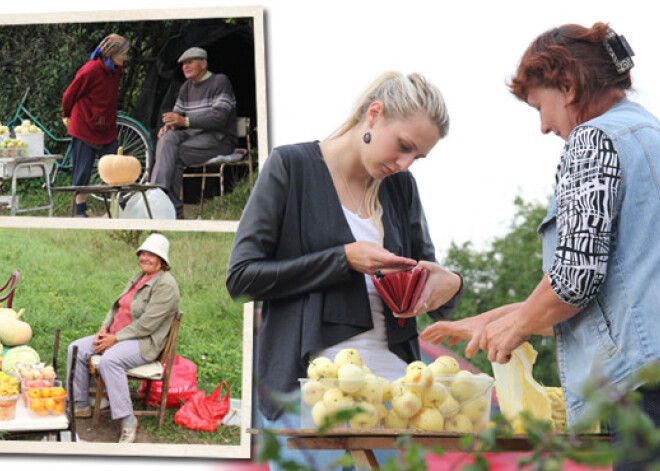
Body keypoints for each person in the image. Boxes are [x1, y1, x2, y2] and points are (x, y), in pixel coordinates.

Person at [420, 22, 660, 470]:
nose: (545, 126)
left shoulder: (594, 139)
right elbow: (621, 298)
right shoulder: (650, 135)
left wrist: (514, 330)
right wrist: (498, 318)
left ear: (567, 85)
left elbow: (575, 279)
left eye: (541, 107)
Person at [227, 72, 464, 470]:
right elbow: (242, 279)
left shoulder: (401, 189)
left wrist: (450, 283)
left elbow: (432, 290)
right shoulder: (291, 166)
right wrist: (343, 259)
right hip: (309, 398)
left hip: (396, 403)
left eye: (417, 157)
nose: (405, 165)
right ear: (374, 115)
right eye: (403, 147)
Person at [67, 233, 180, 443]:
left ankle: (128, 420)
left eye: (151, 254)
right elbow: (117, 306)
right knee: (76, 348)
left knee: (111, 361)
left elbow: (148, 324)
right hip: (117, 335)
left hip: (143, 342)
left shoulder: (166, 285)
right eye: (142, 253)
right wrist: (104, 327)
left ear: (162, 260)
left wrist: (115, 338)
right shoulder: (139, 277)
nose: (145, 258)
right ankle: (80, 404)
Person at [149, 46, 238, 219]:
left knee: (174, 155)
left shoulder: (220, 82)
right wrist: (171, 125)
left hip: (219, 138)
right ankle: (160, 194)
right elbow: (178, 117)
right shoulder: (185, 87)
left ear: (203, 63)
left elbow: (220, 118)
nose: (185, 67)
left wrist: (185, 121)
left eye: (190, 62)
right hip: (193, 137)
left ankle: (162, 199)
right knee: (168, 138)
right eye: (183, 64)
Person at [62, 33, 130, 217]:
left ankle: (122, 208)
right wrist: (65, 114)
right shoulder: (90, 70)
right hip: (84, 125)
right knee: (82, 171)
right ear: (111, 53)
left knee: (116, 168)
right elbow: (70, 94)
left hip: (106, 127)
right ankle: (80, 211)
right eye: (123, 53)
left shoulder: (116, 70)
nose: (126, 57)